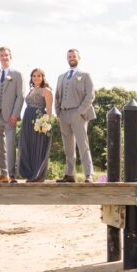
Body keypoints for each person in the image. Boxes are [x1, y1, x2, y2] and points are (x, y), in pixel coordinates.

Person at [55, 48, 96, 183]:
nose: (72, 58)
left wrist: (80, 111)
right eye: (69, 56)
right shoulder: (61, 77)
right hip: (63, 114)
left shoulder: (85, 75)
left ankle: (89, 174)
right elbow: (57, 96)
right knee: (68, 147)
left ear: (79, 58)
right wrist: (58, 112)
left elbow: (90, 95)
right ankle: (69, 174)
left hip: (78, 114)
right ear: (67, 59)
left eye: (74, 56)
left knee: (83, 145)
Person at [0, 46, 24, 183]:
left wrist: (15, 115)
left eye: (6, 55)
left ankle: (12, 175)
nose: (4, 57)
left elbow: (20, 96)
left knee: (9, 145)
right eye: (1, 55)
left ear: (10, 57)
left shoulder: (17, 75)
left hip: (10, 116)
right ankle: (3, 175)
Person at [18, 68, 54, 182]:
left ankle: (37, 176)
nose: (36, 78)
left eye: (39, 76)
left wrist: (46, 125)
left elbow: (49, 110)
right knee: (27, 146)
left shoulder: (46, 90)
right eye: (34, 76)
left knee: (38, 147)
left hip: (39, 121)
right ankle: (29, 174)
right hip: (27, 120)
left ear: (43, 77)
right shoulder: (31, 90)